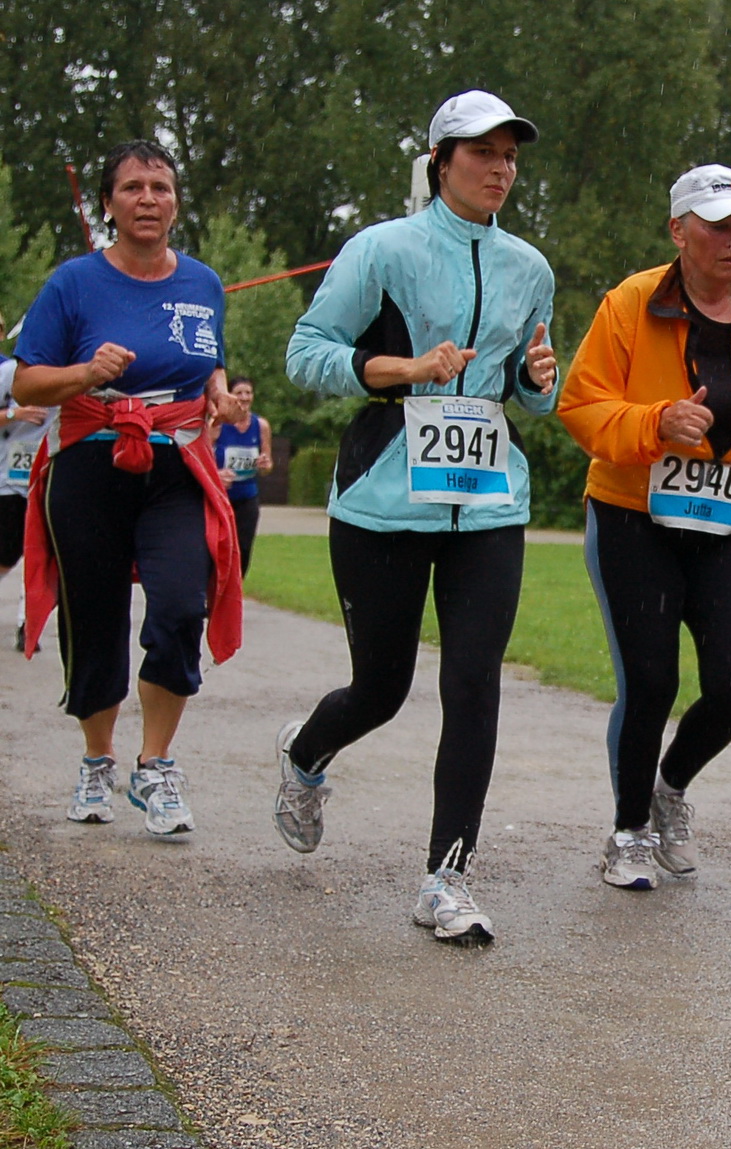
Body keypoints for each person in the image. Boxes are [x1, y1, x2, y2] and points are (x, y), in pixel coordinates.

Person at [278, 90, 559, 944]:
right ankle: (304, 755)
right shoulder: (383, 249)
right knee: (382, 688)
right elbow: (306, 353)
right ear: (441, 162)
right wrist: (402, 367)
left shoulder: (531, 268)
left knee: (473, 683)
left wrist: (540, 380)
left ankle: (447, 876)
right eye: (482, 153)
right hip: (380, 503)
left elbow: (530, 389)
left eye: (510, 155)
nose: (500, 169)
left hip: (487, 506)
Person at [560, 164, 731, 891]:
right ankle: (628, 830)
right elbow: (581, 407)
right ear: (679, 230)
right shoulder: (630, 302)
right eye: (719, 226)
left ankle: (668, 787)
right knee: (649, 679)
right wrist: (655, 422)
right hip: (631, 514)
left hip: (724, 521)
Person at [11, 140, 244, 835]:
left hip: (174, 464)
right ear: (109, 204)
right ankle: (96, 757)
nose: (149, 199)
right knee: (97, 616)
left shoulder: (202, 281)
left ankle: (156, 764)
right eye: (134, 187)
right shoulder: (73, 283)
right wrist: (84, 373)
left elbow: (209, 361)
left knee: (178, 606)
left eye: (162, 187)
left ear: (176, 202)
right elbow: (26, 381)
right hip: (91, 463)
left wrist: (222, 395)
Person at [1, 353, 52, 651]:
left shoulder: (75, 373)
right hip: (8, 478)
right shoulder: (11, 373)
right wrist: (14, 414)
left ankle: (27, 625)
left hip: (49, 478)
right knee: (6, 555)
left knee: (40, 555)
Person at [207, 375, 273, 575]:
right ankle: (211, 591)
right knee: (215, 548)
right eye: (239, 393)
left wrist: (264, 464)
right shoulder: (217, 424)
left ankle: (234, 593)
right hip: (220, 497)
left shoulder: (261, 425)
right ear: (230, 396)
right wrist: (217, 474)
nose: (244, 397)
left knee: (243, 550)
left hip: (247, 497)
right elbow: (204, 462)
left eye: (248, 392)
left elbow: (267, 465)